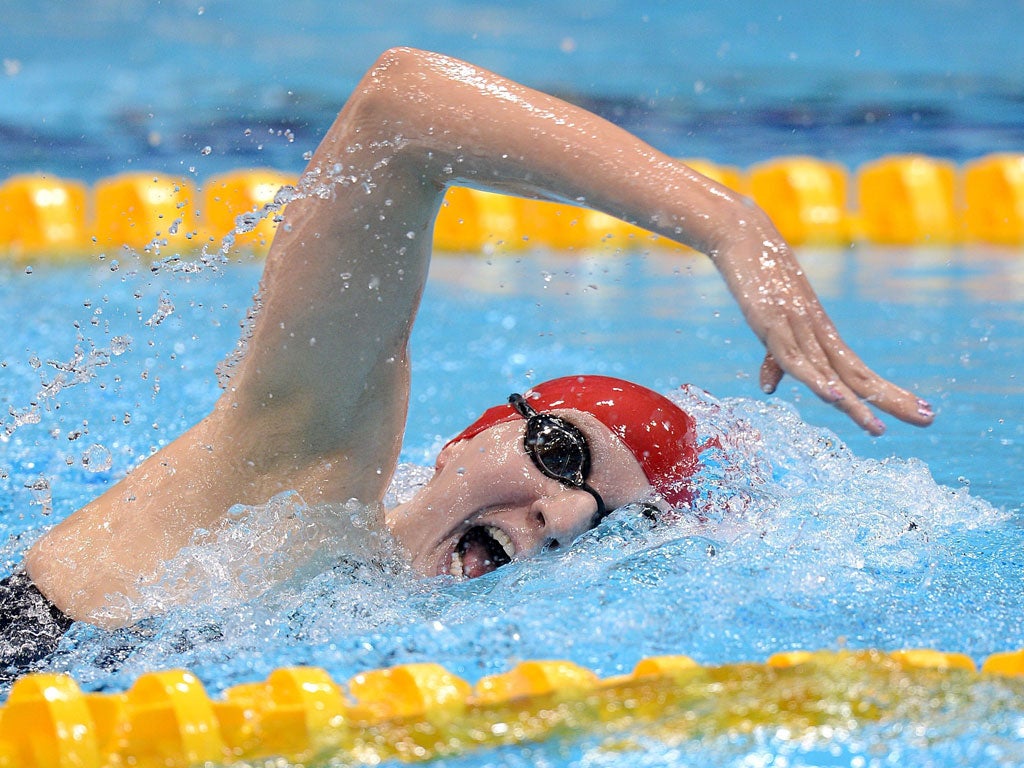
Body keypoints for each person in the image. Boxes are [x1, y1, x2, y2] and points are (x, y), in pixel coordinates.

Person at [4, 48, 934, 674]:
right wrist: (730, 223)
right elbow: (400, 107)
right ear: (464, 438)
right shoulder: (301, 476)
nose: (565, 513)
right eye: (564, 456)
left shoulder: (401, 645)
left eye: (604, 521)